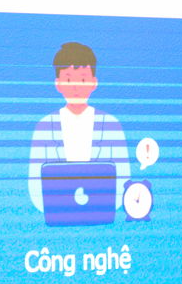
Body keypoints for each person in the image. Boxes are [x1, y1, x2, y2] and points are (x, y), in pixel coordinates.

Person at [28, 42, 130, 212]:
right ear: (58, 83)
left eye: (82, 79)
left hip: (102, 215)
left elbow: (123, 178)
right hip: (57, 215)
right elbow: (35, 182)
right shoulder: (44, 127)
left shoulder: (111, 125)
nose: (76, 87)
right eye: (69, 79)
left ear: (94, 83)